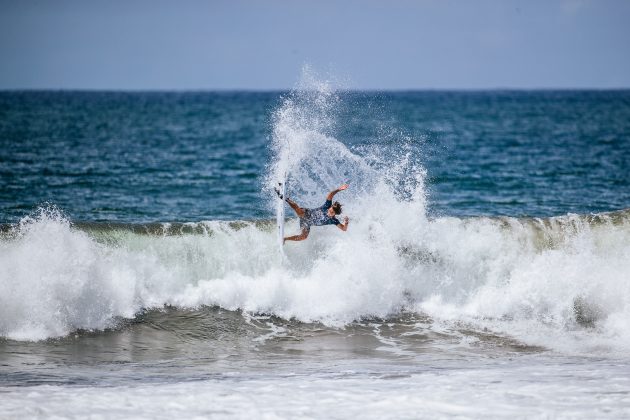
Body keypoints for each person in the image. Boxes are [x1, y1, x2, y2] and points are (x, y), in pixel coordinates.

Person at [276, 184, 350, 242]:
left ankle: (285, 239)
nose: (329, 212)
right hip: (307, 213)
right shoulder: (327, 206)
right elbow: (331, 194)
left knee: (303, 237)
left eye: (332, 212)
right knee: (299, 211)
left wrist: (346, 223)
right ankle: (285, 198)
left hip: (307, 223)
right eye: (330, 210)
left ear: (335, 214)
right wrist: (339, 189)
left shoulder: (334, 221)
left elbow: (344, 229)